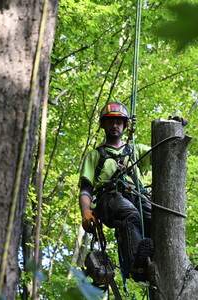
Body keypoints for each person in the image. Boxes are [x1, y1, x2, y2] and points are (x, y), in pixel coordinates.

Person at [79, 101, 152, 282]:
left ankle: (177, 266)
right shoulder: (95, 155)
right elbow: (86, 189)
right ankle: (137, 264)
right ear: (103, 124)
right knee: (130, 214)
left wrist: (175, 128)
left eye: (119, 121)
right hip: (109, 199)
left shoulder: (136, 150)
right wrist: (86, 211)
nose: (115, 125)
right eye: (110, 121)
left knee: (158, 219)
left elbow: (163, 151)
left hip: (137, 196)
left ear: (125, 125)